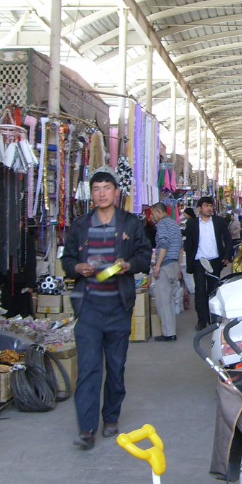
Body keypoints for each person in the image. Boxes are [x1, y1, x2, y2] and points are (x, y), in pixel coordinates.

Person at [62, 166, 152, 450]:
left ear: (116, 192)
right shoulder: (80, 226)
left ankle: (111, 417)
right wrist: (77, 267)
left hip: (118, 307)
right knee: (88, 368)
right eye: (96, 189)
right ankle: (86, 429)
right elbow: (67, 260)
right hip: (88, 307)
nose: (101, 194)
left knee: (115, 366)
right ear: (92, 194)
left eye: (106, 188)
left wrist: (128, 265)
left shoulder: (129, 223)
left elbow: (144, 255)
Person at [184, 196, 233, 331]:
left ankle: (213, 319)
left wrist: (227, 256)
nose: (209, 208)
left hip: (215, 261)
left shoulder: (218, 222)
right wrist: (190, 264)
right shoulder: (192, 224)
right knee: (200, 291)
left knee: (213, 290)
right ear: (199, 208)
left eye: (211, 206)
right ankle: (202, 320)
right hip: (199, 261)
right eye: (206, 205)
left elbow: (228, 239)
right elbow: (189, 245)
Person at [150, 202, 181, 342]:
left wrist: (157, 265)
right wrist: (179, 267)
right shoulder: (175, 224)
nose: (152, 217)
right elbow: (180, 247)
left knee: (163, 301)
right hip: (174, 265)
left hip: (165, 266)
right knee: (170, 300)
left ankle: (168, 333)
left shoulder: (162, 224)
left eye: (152, 214)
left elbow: (163, 244)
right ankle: (171, 330)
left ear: (158, 212)